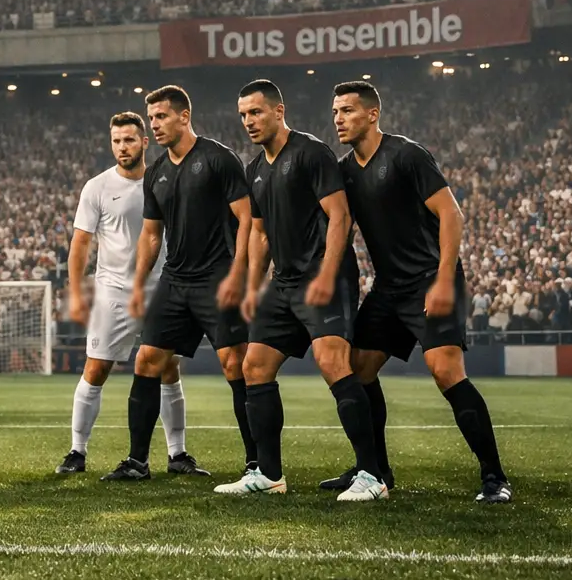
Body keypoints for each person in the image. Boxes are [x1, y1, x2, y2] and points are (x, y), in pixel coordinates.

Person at [328, 80, 511, 503]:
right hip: (389, 288)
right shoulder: (344, 170)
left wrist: (445, 279)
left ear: (373, 114)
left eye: (348, 111)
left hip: (432, 278)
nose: (338, 119)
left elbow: (452, 213)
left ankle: (494, 478)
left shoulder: (406, 154)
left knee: (446, 372)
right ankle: (375, 471)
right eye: (336, 111)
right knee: (356, 370)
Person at [216, 80, 384, 500]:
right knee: (253, 367)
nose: (248, 122)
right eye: (242, 115)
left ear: (278, 111)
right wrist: (254, 287)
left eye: (255, 112)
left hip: (324, 276)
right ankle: (269, 474)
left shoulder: (312, 153)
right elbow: (258, 234)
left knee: (332, 363)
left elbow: (340, 216)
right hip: (285, 282)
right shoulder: (255, 169)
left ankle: (372, 477)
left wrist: (328, 275)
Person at [116, 85, 254, 482]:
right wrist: (138, 284)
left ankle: (257, 463)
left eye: (161, 117)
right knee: (146, 360)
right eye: (153, 118)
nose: (155, 125)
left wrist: (238, 274)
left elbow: (247, 219)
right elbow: (150, 235)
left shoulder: (218, 159)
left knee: (235, 364)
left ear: (184, 116)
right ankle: (138, 462)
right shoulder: (156, 172)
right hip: (175, 280)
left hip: (217, 278)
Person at [57, 112, 204, 477]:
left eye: (129, 140)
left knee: (169, 368)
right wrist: (75, 293)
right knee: (97, 368)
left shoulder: (164, 179)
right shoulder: (97, 187)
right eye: (116, 140)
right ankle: (77, 452)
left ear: (144, 142)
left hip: (162, 290)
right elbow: (80, 245)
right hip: (113, 292)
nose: (122, 146)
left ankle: (178, 455)